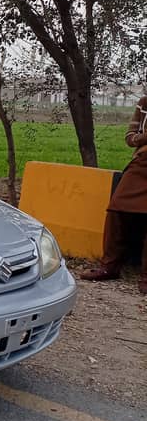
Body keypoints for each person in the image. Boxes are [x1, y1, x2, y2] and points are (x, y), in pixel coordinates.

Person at [80, 94, 147, 293]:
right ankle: (110, 266)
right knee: (117, 208)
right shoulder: (144, 103)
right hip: (142, 163)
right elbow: (129, 138)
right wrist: (144, 137)